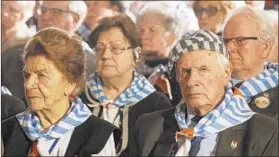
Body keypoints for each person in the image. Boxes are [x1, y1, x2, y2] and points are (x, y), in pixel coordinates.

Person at [130, 29, 278, 156]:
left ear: (226, 74)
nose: (192, 80)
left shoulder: (264, 132)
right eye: (185, 71)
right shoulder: (149, 127)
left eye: (203, 69)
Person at [1, 27, 121, 156]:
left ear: (70, 83)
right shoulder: (7, 131)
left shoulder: (97, 136)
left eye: (42, 75)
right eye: (27, 75)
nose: (29, 84)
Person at [83, 14, 172, 156]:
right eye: (100, 48)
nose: (105, 55)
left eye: (115, 48)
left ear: (136, 55)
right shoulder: (80, 97)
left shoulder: (156, 105)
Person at [2, 1, 96, 101]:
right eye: (43, 10)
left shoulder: (90, 64)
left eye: (56, 11)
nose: (45, 17)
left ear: (75, 19)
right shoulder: (15, 53)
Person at [135, 1, 199, 105]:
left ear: (171, 38)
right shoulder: (131, 71)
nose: (144, 36)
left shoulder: (180, 74)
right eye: (141, 30)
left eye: (152, 30)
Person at [223, 6, 278, 120]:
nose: (229, 48)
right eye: (225, 41)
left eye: (240, 40)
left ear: (265, 47)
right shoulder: (209, 86)